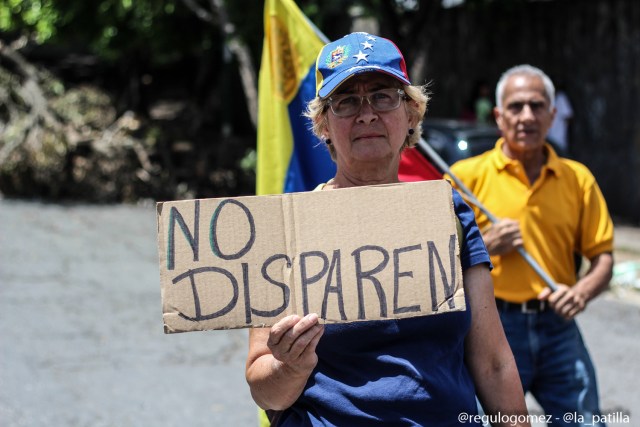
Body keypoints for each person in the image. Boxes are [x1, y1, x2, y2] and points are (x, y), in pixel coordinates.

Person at [245, 32, 530, 427]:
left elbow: (494, 362)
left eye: (382, 96)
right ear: (323, 123)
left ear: (411, 113)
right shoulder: (285, 227)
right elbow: (264, 390)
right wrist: (290, 366)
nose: (366, 114)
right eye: (346, 102)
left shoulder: (447, 212)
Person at [447, 64, 614, 426]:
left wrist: (581, 292)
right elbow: (436, 264)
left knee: (585, 421)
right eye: (516, 106)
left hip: (558, 327)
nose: (527, 116)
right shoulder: (464, 178)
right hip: (490, 325)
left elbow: (603, 258)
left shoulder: (577, 179)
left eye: (537, 106)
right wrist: (485, 245)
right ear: (498, 115)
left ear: (553, 115)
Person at [546, 84, 574, 156]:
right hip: (547, 138)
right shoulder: (545, 100)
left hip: (559, 138)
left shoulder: (561, 98)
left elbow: (568, 116)